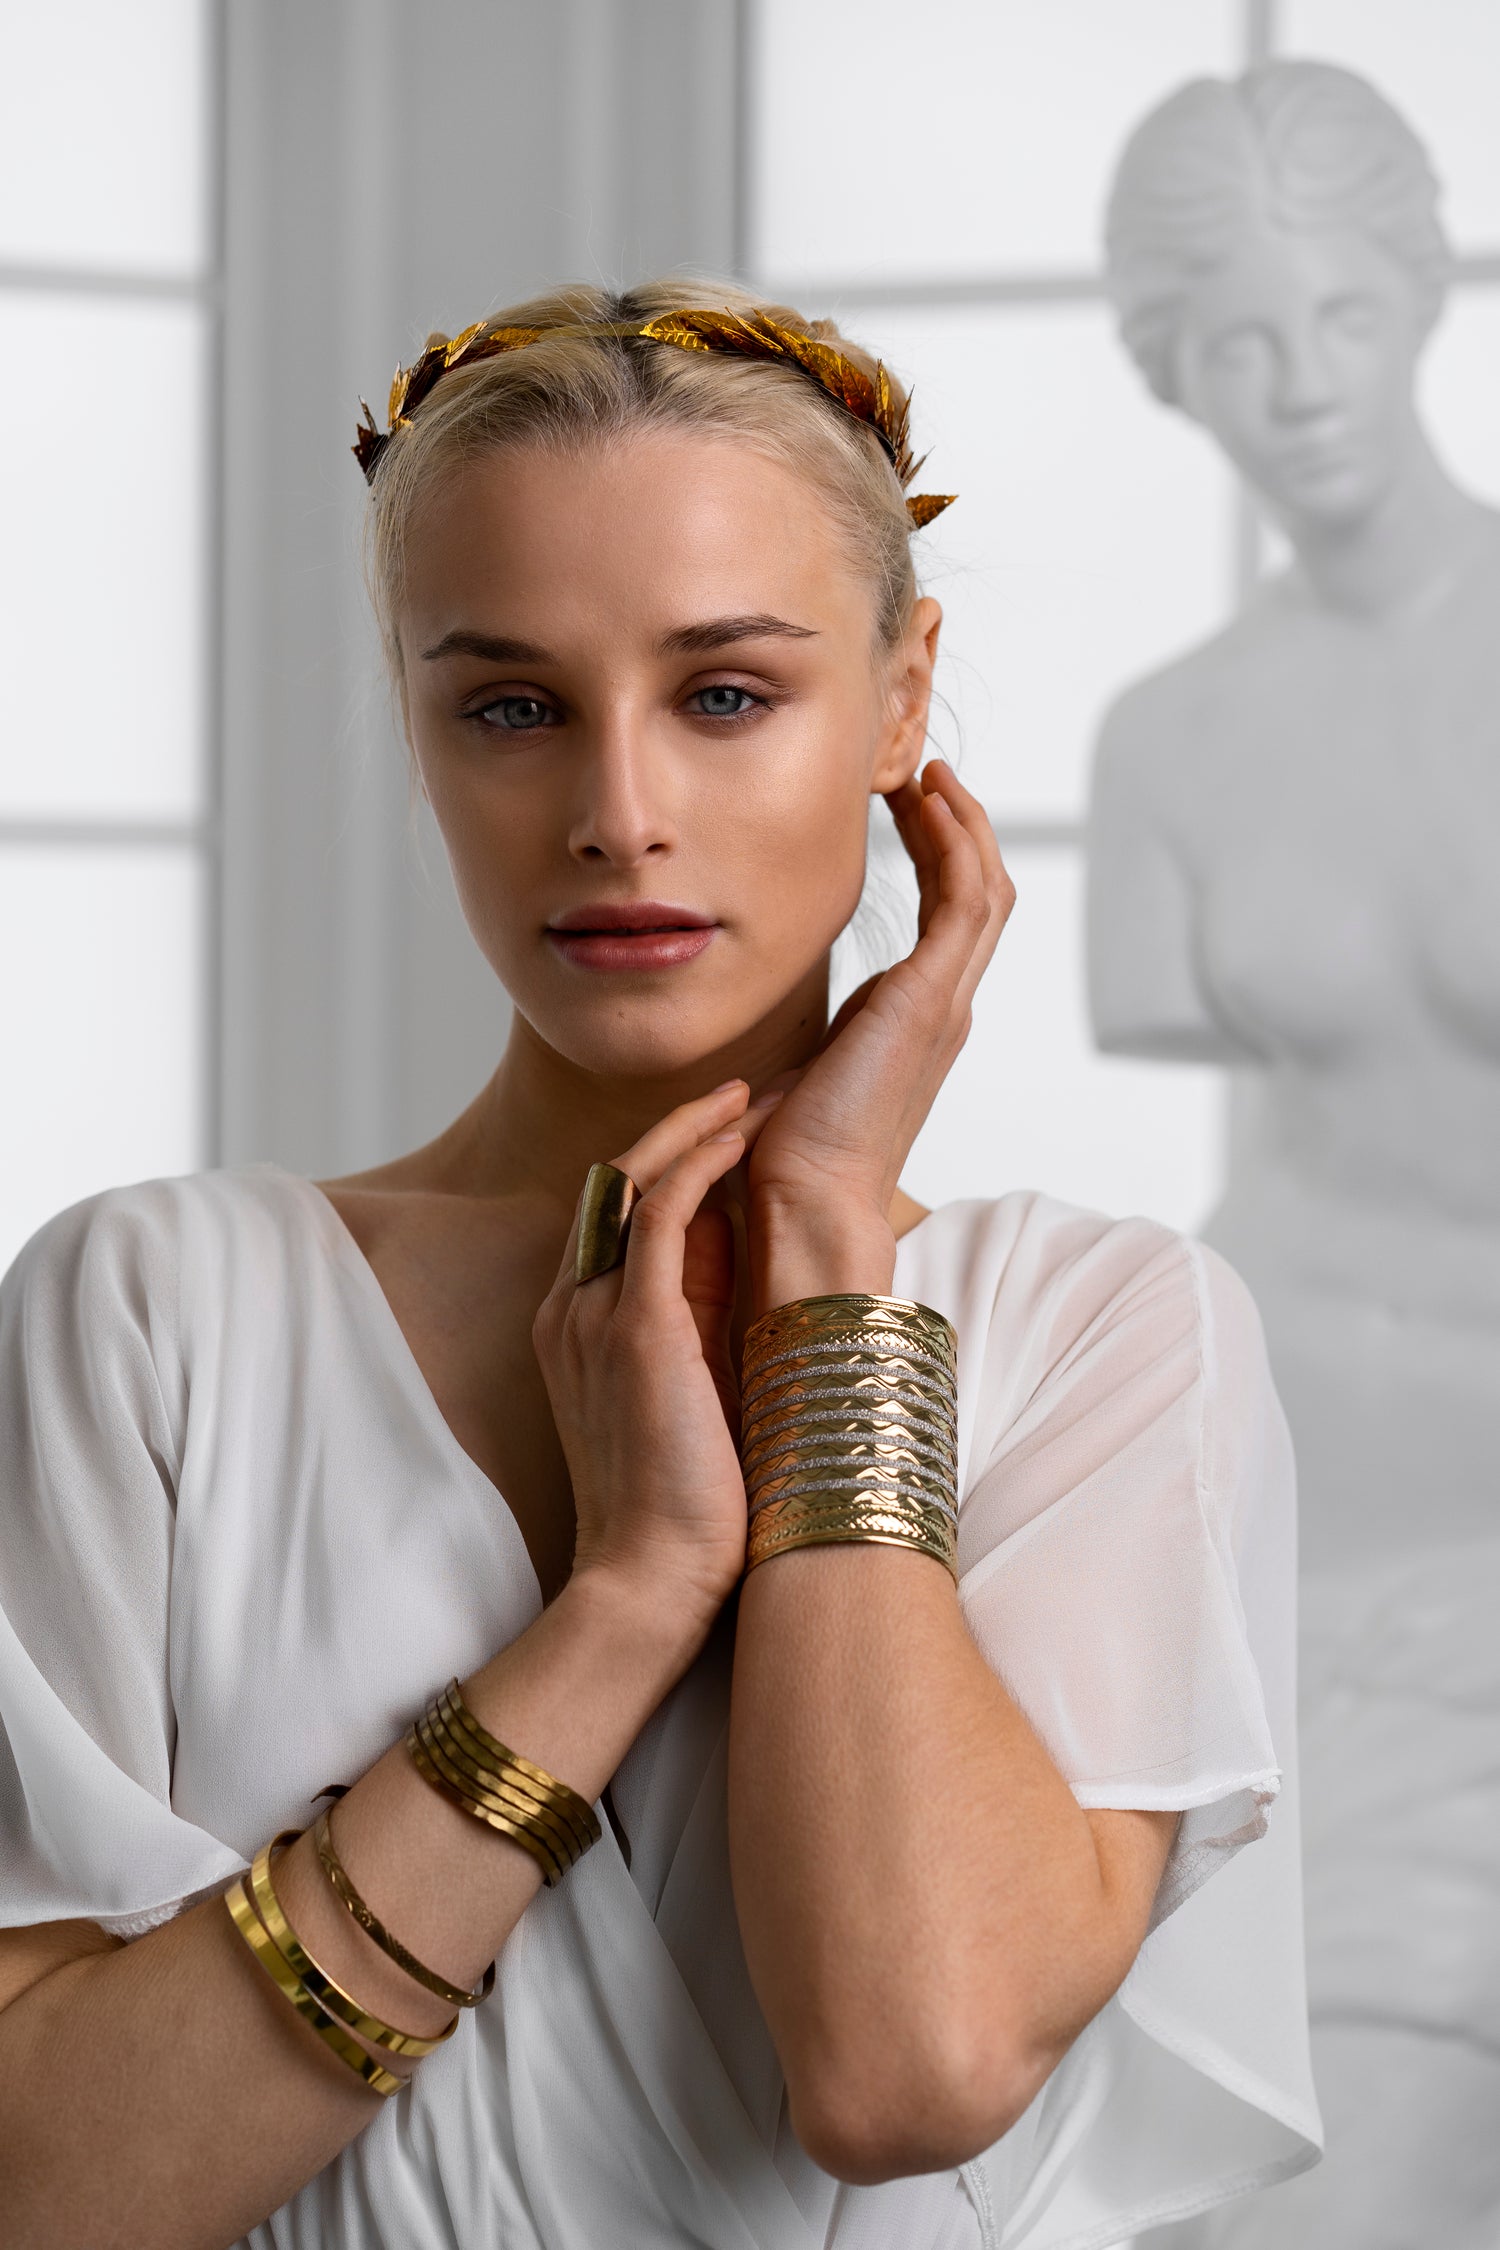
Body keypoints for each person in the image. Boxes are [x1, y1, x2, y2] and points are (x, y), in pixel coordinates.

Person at [0, 279, 1317, 2250]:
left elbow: (907, 2065)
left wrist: (828, 1260)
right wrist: (625, 1600)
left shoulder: (1102, 1333)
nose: (619, 817)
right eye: (512, 706)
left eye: (724, 696)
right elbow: (50, 2190)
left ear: (901, 699)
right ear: (420, 728)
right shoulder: (153, 1311)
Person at [1093, 61, 1500, 2249]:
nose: (1304, 385)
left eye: (1338, 314)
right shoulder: (1172, 737)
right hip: (1281, 1527)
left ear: (1422, 297)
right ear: (1172, 375)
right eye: (1238, 340)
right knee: (1227, 2164)